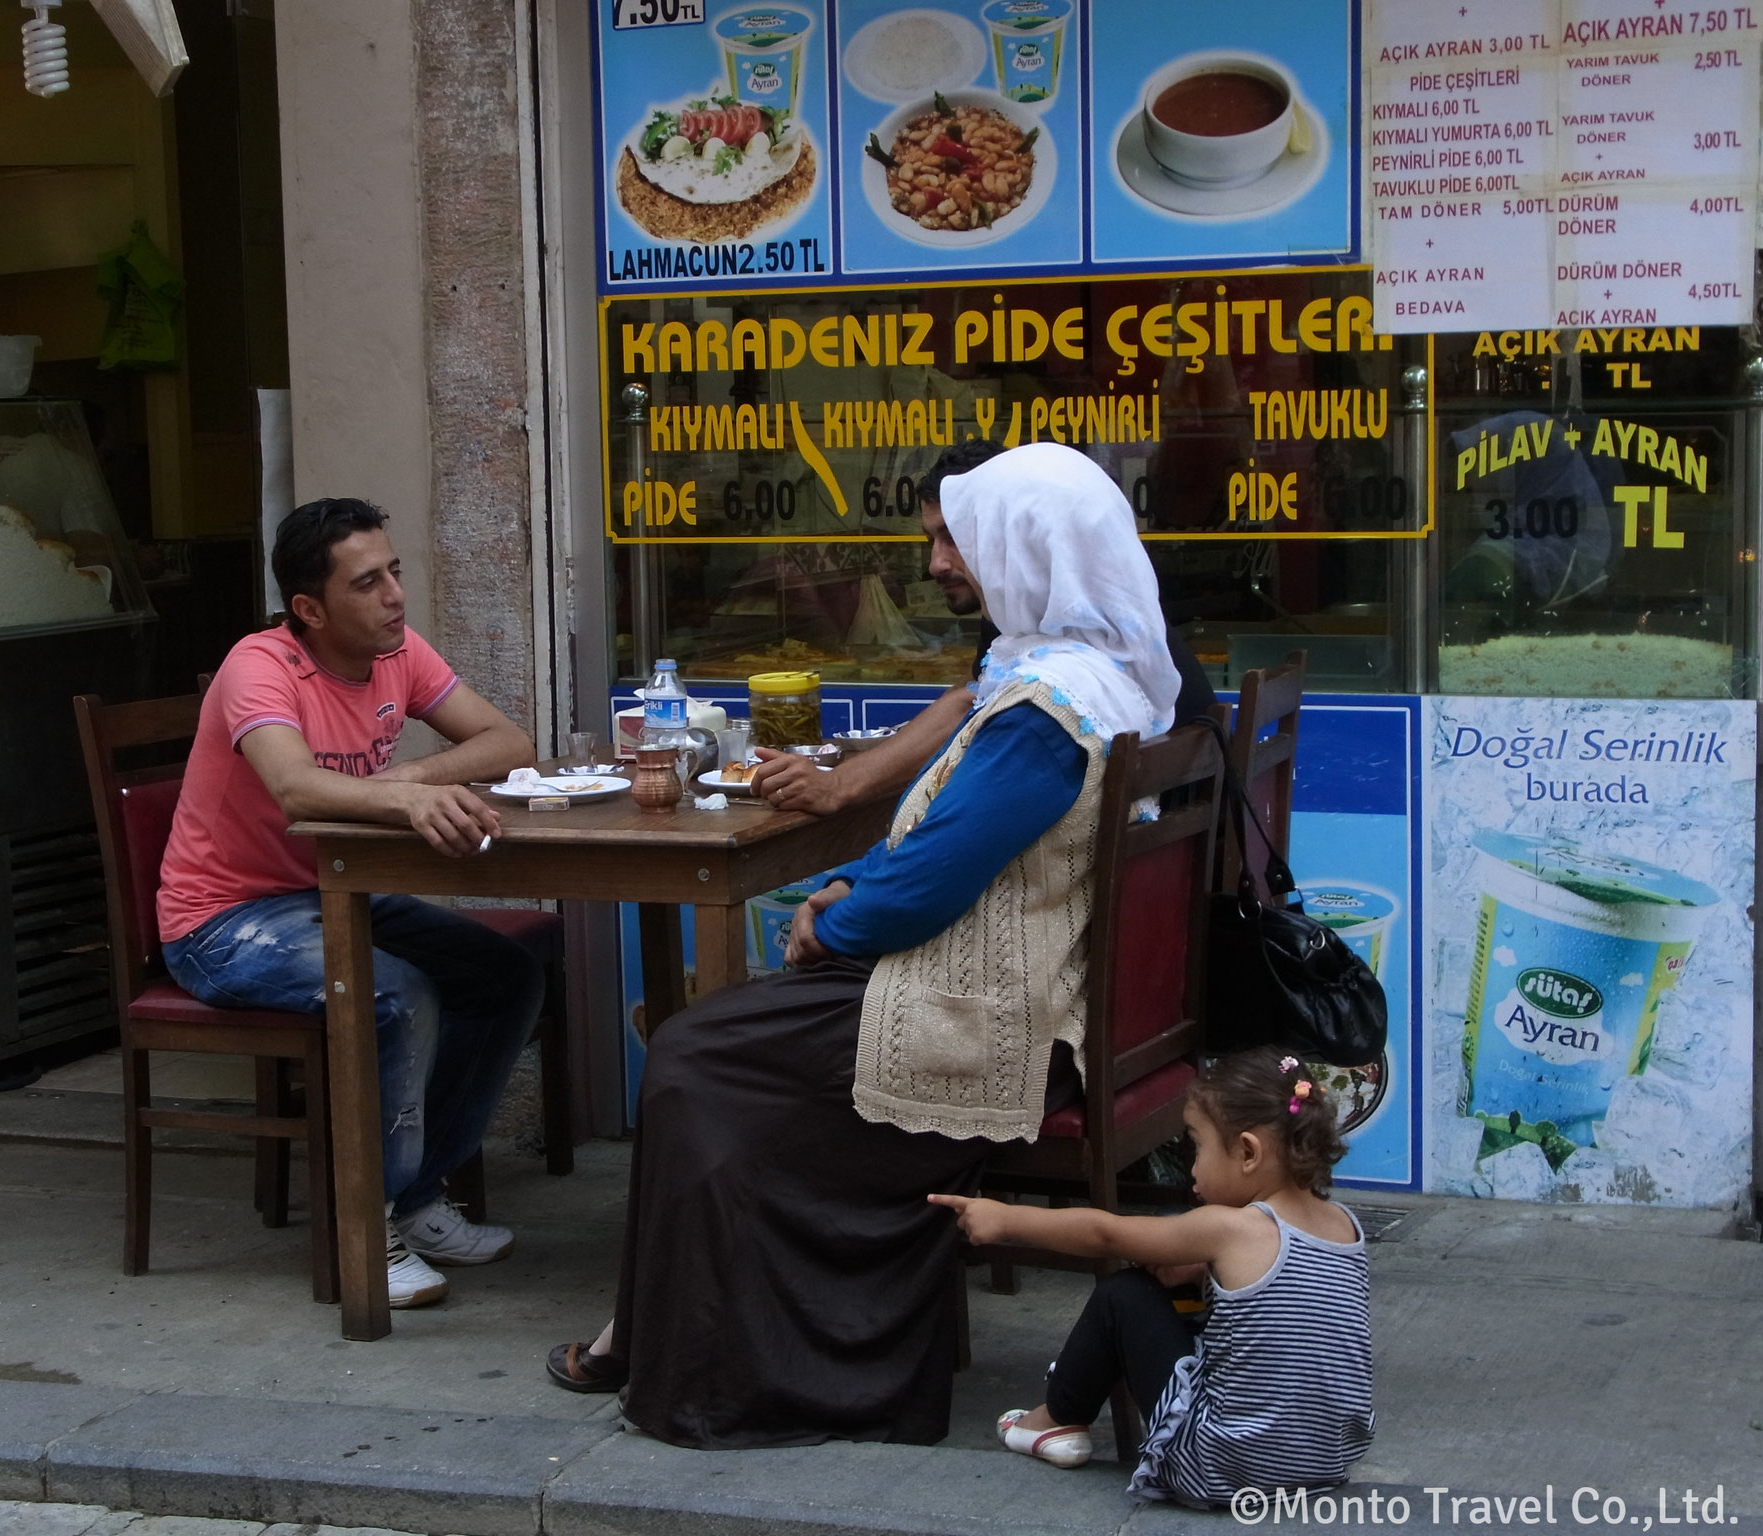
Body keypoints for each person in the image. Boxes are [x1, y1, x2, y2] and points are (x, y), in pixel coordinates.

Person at [546, 442, 1183, 1447]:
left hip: (981, 1025)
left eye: (950, 539)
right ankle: (662, 1330)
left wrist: (833, 921)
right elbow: (945, 850)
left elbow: (931, 882)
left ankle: (723, 1365)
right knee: (713, 1045)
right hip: (1018, 994)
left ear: (1025, 546)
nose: (935, 562)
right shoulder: (1091, 673)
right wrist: (851, 882)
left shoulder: (1045, 712)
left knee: (691, 1056)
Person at [155, 498, 544, 1310]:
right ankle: (370, 1225)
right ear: (310, 608)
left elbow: (508, 743)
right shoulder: (259, 666)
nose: (395, 595)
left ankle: (419, 1194)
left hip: (330, 894)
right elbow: (295, 785)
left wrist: (405, 780)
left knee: (504, 971)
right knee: (395, 993)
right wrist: (402, 806)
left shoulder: (396, 651)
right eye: (368, 582)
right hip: (226, 923)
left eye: (394, 571)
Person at [932, 1047, 1375, 1503]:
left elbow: (1106, 1235)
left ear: (1247, 1152)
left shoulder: (1228, 1227)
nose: (1192, 1167)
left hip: (1221, 1470)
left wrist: (1005, 1219)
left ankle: (1056, 1419)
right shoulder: (1345, 1226)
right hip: (1325, 1466)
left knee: (1124, 1295)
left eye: (1197, 1145)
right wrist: (1202, 1267)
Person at [751, 439, 1217, 817]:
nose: (935, 563)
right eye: (931, 539)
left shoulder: (1063, 661)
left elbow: (970, 711)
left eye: (956, 536)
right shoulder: (1065, 625)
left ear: (1007, 530)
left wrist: (839, 789)